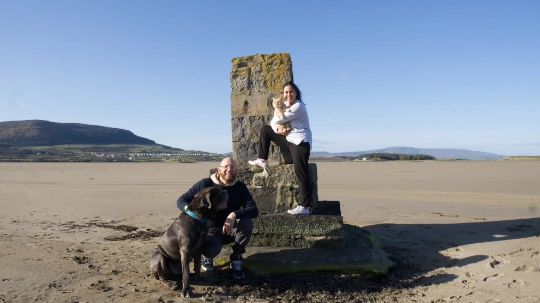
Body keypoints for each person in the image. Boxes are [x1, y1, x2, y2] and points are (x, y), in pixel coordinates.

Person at [176, 157, 258, 279]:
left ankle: (237, 257)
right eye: (226, 166)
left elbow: (253, 210)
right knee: (211, 249)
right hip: (210, 230)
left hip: (231, 228)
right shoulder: (205, 184)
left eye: (232, 167)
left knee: (247, 222)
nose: (229, 170)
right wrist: (190, 211)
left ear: (236, 170)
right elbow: (181, 200)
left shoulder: (240, 187)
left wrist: (233, 215)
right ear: (219, 169)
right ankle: (207, 257)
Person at [248, 81, 313, 215]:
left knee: (300, 172)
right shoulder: (286, 105)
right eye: (286, 92)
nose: (289, 94)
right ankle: (262, 159)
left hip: (300, 143)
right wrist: (278, 131)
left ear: (296, 93)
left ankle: (305, 207)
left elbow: (278, 119)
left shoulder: (298, 106)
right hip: (289, 140)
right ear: (283, 95)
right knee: (266, 129)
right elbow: (273, 122)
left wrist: (278, 124)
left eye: (291, 92)